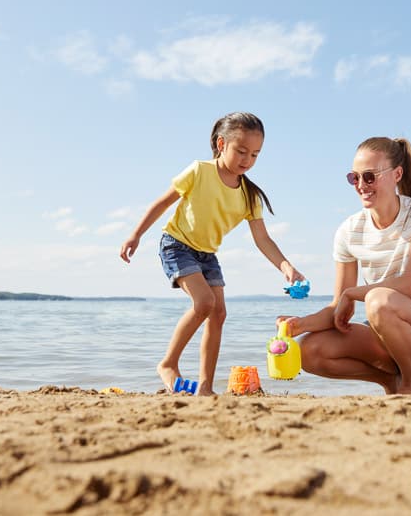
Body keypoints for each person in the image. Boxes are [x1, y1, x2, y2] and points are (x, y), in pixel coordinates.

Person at [120, 112, 304, 395]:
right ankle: (168, 364)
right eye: (241, 151)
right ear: (221, 144)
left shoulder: (249, 195)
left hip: (207, 255)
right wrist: (136, 234)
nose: (248, 160)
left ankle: (205, 387)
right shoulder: (199, 171)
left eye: (255, 154)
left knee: (218, 313)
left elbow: (262, 239)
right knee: (204, 302)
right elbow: (162, 202)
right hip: (177, 244)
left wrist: (286, 266)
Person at [276, 137, 411, 395]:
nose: (361, 185)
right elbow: (337, 308)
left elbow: (408, 285)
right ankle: (389, 383)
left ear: (397, 174)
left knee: (378, 300)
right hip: (384, 333)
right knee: (309, 351)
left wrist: (352, 294)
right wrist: (301, 325)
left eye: (370, 176)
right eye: (355, 178)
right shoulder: (348, 231)